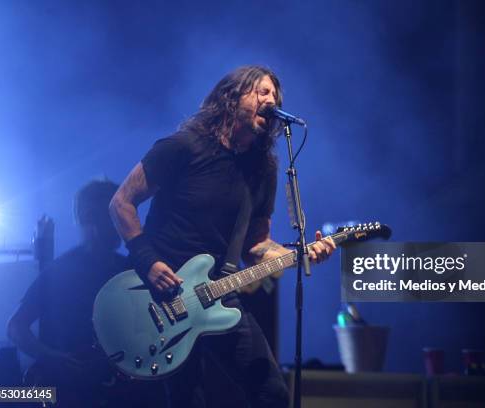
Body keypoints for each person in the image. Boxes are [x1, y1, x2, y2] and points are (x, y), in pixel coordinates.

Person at [109, 65, 336, 407]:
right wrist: (147, 261)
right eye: (261, 91)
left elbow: (256, 248)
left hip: (218, 295)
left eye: (274, 95)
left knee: (271, 393)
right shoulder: (184, 147)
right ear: (232, 97)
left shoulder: (263, 170)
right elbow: (122, 202)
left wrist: (303, 254)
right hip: (162, 293)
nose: (270, 100)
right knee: (187, 399)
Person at [7, 179, 161, 407]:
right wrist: (54, 359)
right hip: (72, 393)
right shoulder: (59, 271)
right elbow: (16, 327)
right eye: (113, 215)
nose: (121, 222)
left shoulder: (130, 270)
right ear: (89, 218)